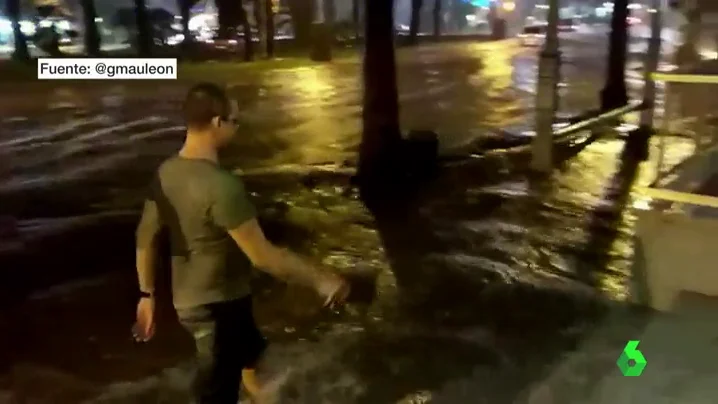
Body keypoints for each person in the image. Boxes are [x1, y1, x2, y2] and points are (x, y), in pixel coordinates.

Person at [131, 83, 350, 404]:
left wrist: (146, 294)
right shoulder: (222, 186)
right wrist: (321, 279)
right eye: (236, 121)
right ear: (218, 123)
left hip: (210, 298)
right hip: (215, 309)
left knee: (251, 357)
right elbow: (263, 257)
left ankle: (261, 396)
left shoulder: (165, 173)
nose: (237, 128)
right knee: (216, 392)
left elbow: (145, 237)